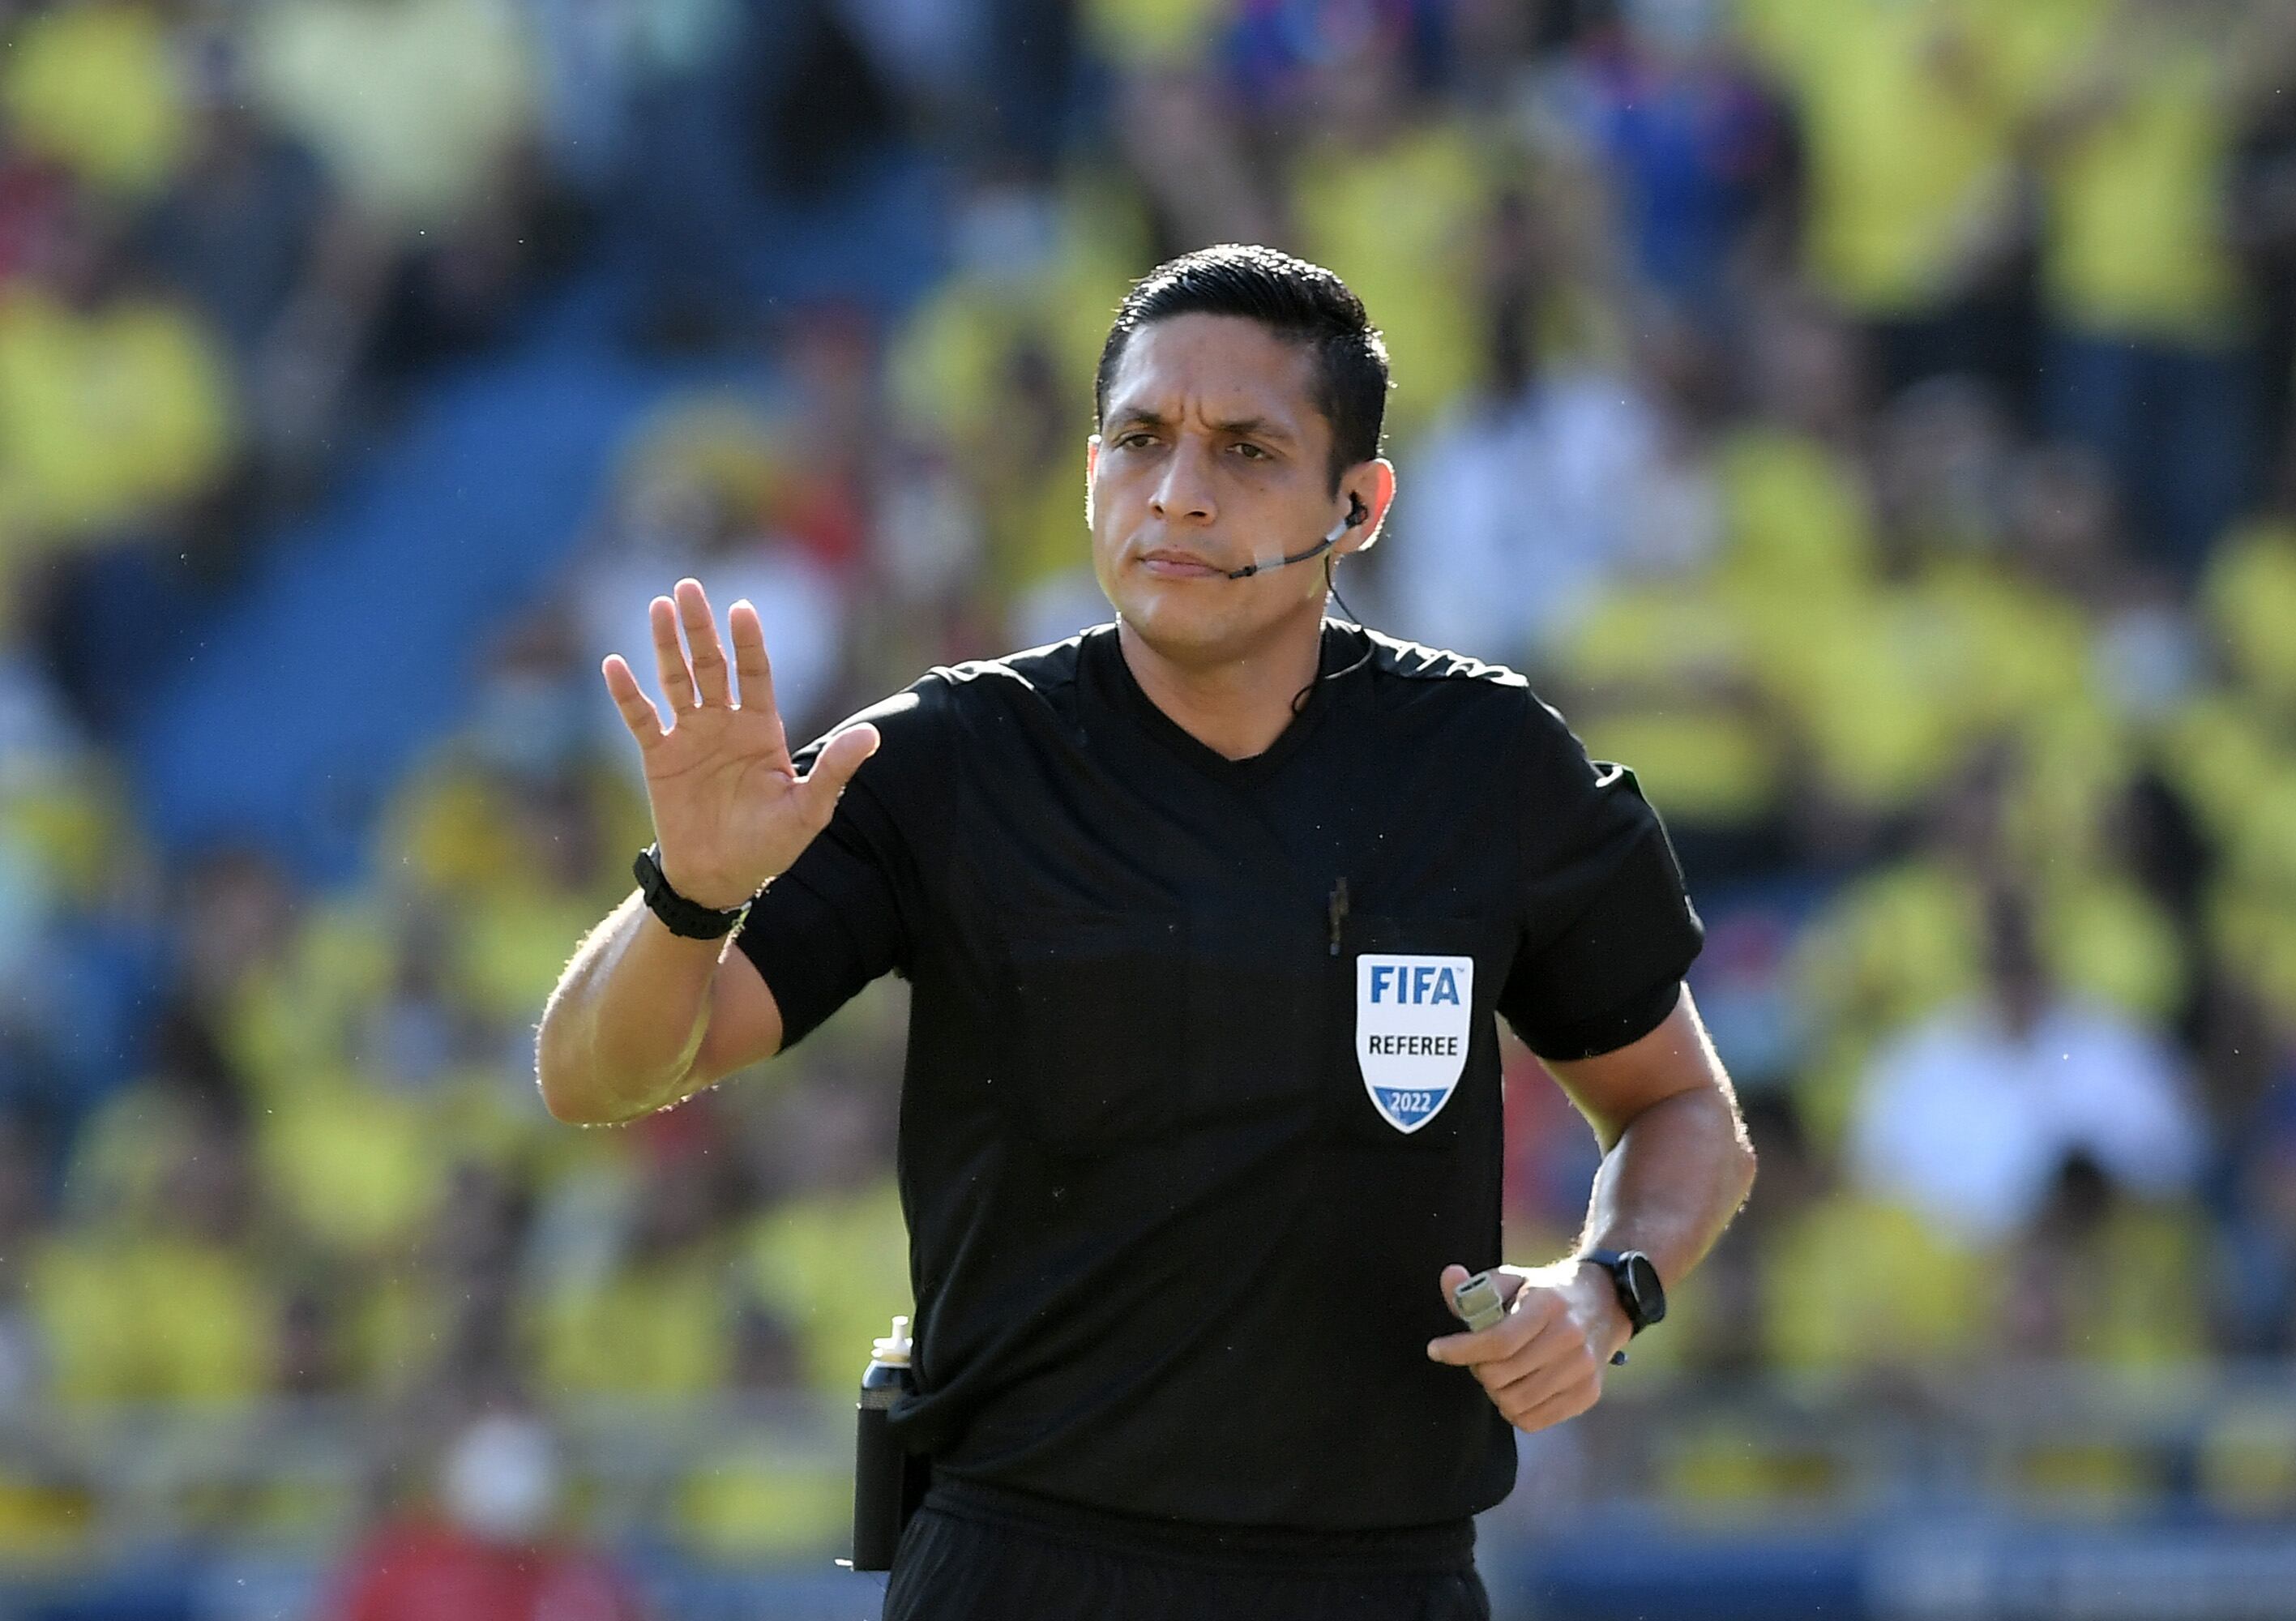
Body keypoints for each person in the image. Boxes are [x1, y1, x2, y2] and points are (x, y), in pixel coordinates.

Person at [537, 245, 1759, 1620]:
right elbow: (598, 1077)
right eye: (1140, 440)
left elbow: (1680, 1109)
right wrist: (686, 899)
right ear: (1089, 471)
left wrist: (1606, 1291)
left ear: (1357, 506)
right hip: (1020, 1564)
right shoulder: (953, 761)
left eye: (1247, 450)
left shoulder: (1484, 765)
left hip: (1378, 1577)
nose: (1179, 491)